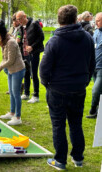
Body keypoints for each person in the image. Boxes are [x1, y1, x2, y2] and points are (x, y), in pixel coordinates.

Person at [40, 5, 95, 170]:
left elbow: (43, 68)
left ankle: (61, 160)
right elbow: (92, 64)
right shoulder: (85, 38)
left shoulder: (59, 40)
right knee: (75, 124)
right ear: (75, 19)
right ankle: (77, 158)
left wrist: (47, 83)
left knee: (60, 125)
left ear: (59, 20)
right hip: (73, 87)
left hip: (61, 88)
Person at [0, 20, 25, 125]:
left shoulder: (11, 42)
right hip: (11, 70)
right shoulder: (4, 42)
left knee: (16, 93)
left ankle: (18, 117)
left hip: (18, 69)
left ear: (1, 34)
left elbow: (10, 60)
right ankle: (12, 113)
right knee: (11, 92)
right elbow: (4, 58)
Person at [16, 11, 44, 103]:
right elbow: (19, 36)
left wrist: (32, 46)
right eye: (17, 19)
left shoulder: (34, 24)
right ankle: (26, 93)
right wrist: (18, 39)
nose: (19, 21)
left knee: (34, 74)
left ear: (25, 16)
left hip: (34, 53)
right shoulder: (20, 27)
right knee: (26, 73)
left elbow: (41, 37)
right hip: (24, 54)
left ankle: (36, 95)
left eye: (20, 19)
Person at [87, 12, 102, 118]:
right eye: (95, 20)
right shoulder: (96, 32)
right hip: (94, 66)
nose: (96, 22)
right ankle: (98, 112)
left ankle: (93, 110)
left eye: (98, 20)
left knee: (95, 91)